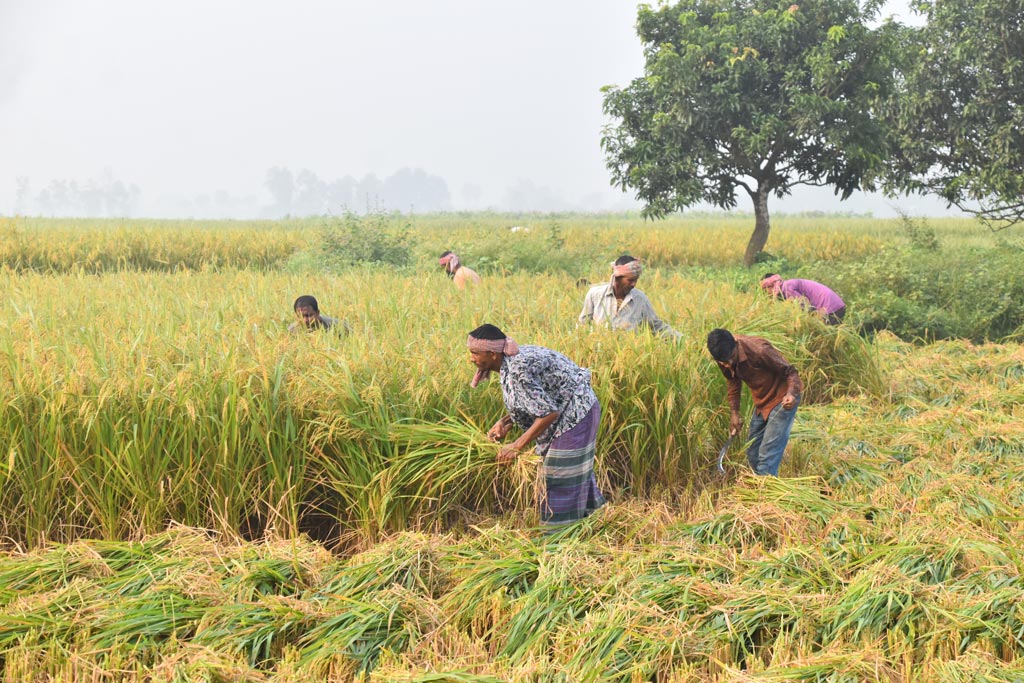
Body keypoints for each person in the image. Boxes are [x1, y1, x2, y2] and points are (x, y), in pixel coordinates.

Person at [467, 323, 605, 530]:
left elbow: (549, 412)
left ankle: (559, 538)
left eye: (475, 353)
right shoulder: (508, 360)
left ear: (492, 354)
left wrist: (516, 445)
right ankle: (593, 523)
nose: (471, 358)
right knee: (572, 472)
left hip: (576, 414)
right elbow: (534, 400)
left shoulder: (517, 370)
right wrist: (505, 422)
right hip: (567, 411)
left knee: (558, 475)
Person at [706, 328, 803, 476]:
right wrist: (735, 413)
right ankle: (762, 487)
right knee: (752, 452)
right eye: (725, 362)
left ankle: (767, 494)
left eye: (732, 357)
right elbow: (733, 382)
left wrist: (791, 394)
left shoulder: (759, 350)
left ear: (735, 344)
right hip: (761, 403)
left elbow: (791, 372)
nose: (729, 363)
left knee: (766, 456)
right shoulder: (723, 356)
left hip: (782, 398)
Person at [578, 255, 681, 339]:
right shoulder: (595, 295)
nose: (634, 284)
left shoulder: (640, 299)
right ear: (618, 278)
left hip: (627, 354)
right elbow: (583, 325)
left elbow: (657, 326)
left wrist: (682, 339)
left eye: (636, 280)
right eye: (630, 280)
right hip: (600, 354)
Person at [760, 273, 846, 325]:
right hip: (835, 306)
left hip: (830, 309)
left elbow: (805, 307)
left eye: (766, 290)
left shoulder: (786, 288)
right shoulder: (787, 285)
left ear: (771, 286)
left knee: (823, 338)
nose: (767, 294)